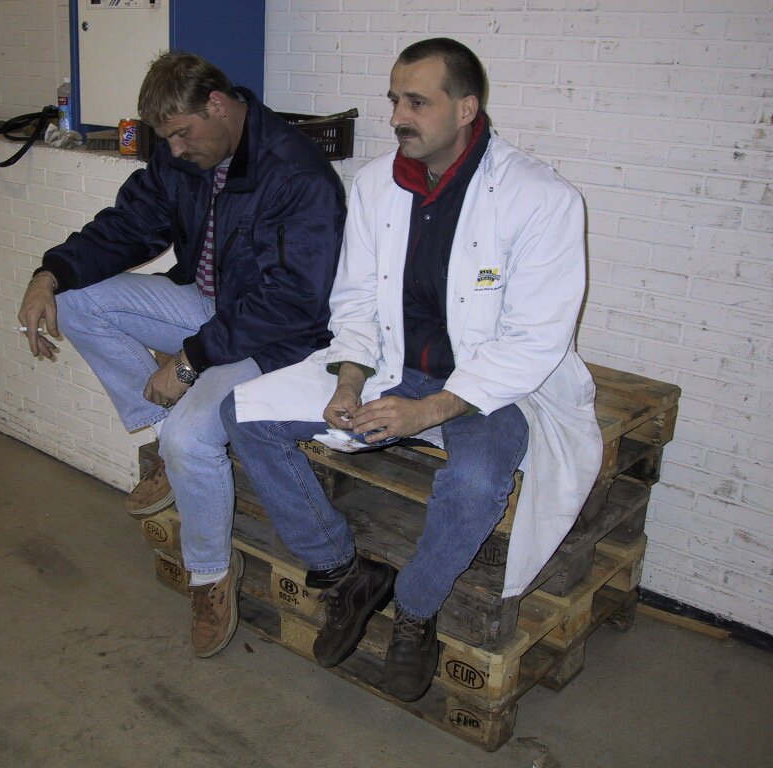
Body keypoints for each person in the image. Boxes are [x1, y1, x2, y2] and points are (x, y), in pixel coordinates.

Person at [222, 38, 602, 701]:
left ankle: (417, 610)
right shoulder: (377, 185)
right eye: (395, 99)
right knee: (243, 414)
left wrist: (428, 411)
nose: (399, 116)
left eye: (417, 102)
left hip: (496, 391)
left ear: (466, 108)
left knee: (477, 480)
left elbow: (534, 342)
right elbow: (356, 302)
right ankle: (345, 573)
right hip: (392, 366)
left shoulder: (541, 199)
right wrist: (349, 379)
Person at [17, 52, 346, 658]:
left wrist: (192, 359)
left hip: (274, 340)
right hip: (209, 309)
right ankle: (164, 435)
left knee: (193, 437)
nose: (172, 150)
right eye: (165, 138)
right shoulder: (186, 156)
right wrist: (49, 272)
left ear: (217, 105)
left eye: (181, 134)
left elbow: (294, 302)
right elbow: (128, 225)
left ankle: (210, 575)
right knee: (77, 301)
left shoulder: (296, 174)